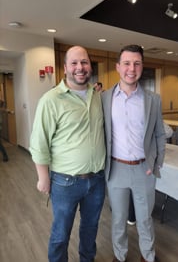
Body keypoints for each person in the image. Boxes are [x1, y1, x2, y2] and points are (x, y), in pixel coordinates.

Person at [29, 46, 106, 262]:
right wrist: (43, 177)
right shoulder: (51, 99)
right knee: (61, 234)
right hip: (65, 183)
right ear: (65, 68)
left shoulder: (97, 96)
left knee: (90, 230)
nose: (80, 68)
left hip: (97, 180)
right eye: (74, 63)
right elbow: (39, 142)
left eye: (84, 62)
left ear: (90, 66)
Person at [102, 44, 166, 262]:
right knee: (119, 219)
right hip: (116, 169)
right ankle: (120, 257)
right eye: (127, 63)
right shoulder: (104, 99)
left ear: (142, 66)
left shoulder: (153, 99)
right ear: (118, 67)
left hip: (144, 169)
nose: (132, 68)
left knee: (145, 218)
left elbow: (159, 134)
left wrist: (156, 165)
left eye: (137, 63)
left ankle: (148, 257)